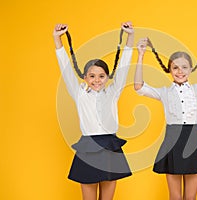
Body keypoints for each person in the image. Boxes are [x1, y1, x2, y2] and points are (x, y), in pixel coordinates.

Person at [134, 34, 197, 200]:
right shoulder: (164, 92)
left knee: (191, 198)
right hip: (172, 145)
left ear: (191, 69)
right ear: (169, 70)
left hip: (192, 143)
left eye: (184, 67)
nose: (180, 71)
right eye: (175, 68)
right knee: (175, 197)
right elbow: (138, 87)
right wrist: (141, 55)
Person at [53, 21, 134, 200]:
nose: (96, 80)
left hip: (111, 147)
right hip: (88, 148)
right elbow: (65, 69)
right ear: (85, 77)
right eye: (92, 76)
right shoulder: (79, 93)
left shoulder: (113, 92)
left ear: (107, 77)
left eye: (101, 76)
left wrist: (130, 37)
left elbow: (123, 68)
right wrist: (57, 40)